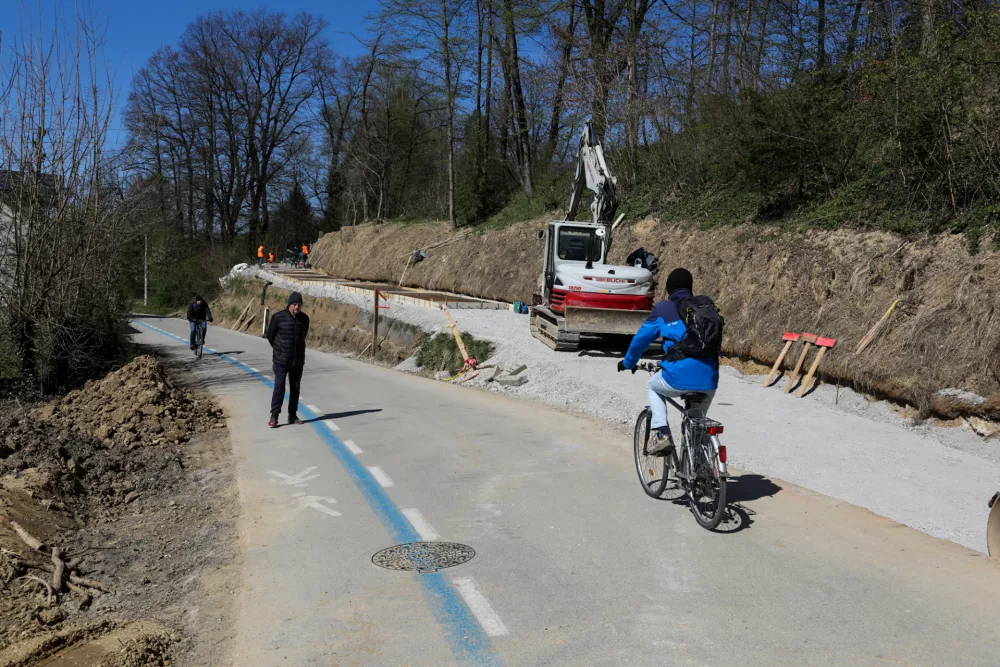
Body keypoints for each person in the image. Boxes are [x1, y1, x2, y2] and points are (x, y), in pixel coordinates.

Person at [617, 268, 720, 455]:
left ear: (668, 290)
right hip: (710, 379)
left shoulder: (663, 309)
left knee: (653, 386)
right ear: (691, 289)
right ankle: (706, 471)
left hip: (677, 378)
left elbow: (640, 340)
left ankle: (661, 432)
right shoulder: (704, 310)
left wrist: (628, 362)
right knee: (697, 423)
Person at [266, 291, 310, 428]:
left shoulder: (305, 319)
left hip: (297, 361)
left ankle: (292, 415)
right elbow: (270, 336)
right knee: (279, 387)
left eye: (299, 305)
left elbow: (304, 335)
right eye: (295, 304)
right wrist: (279, 349)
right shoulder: (278, 317)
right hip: (281, 360)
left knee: (295, 388)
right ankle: (274, 415)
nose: (297, 307)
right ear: (289, 304)